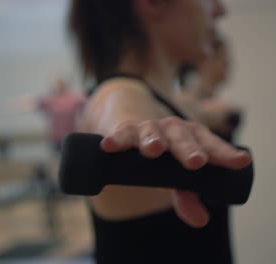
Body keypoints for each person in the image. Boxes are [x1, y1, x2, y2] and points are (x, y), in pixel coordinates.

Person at [68, 0, 252, 263]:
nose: (221, 9)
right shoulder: (120, 93)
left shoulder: (172, 101)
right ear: (152, 4)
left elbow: (197, 109)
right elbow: (120, 116)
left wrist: (220, 115)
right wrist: (137, 131)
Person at [176, 34, 244, 143]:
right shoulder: (187, 96)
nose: (228, 65)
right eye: (224, 60)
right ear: (205, 58)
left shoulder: (212, 99)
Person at [9, 76, 87, 154]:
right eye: (55, 85)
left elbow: (86, 103)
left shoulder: (73, 98)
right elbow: (31, 101)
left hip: (70, 137)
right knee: (58, 159)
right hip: (56, 139)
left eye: (59, 84)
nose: (57, 87)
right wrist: (13, 106)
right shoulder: (50, 100)